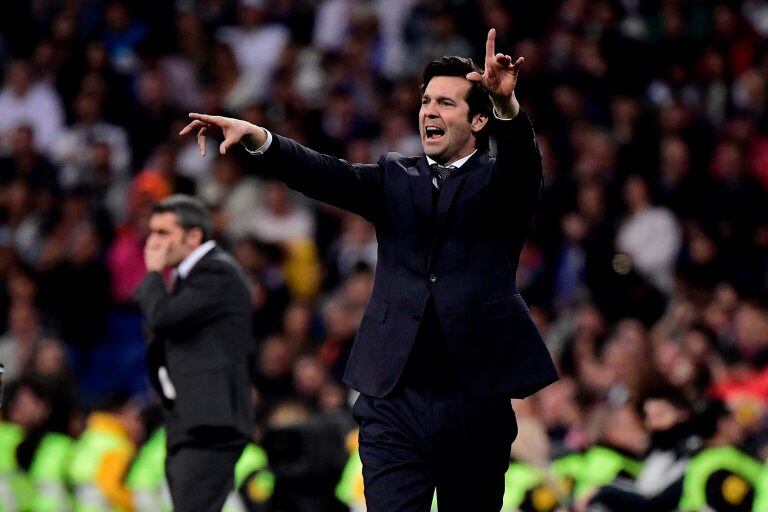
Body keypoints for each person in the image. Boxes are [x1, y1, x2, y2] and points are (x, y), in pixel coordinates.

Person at [180, 28, 557, 511]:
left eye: (446, 102)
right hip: (393, 401)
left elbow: (524, 167)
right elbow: (323, 173)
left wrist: (509, 108)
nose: (429, 111)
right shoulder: (395, 177)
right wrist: (261, 139)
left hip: (475, 401)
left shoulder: (502, 184)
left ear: (478, 119)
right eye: (426, 101)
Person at [134, 195, 255, 512]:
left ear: (194, 236)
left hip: (211, 424)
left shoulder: (216, 272)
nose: (154, 242)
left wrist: (151, 275)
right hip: (190, 421)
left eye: (163, 233)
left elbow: (163, 318)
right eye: (152, 232)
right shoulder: (189, 278)